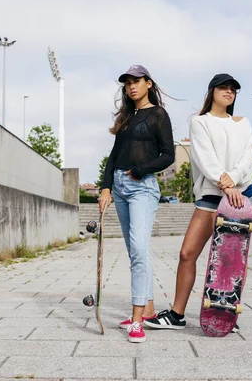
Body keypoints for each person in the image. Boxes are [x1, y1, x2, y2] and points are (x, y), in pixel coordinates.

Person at [144, 73, 252, 333]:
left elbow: (247, 158)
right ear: (212, 91)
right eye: (224, 88)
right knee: (187, 253)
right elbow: (205, 157)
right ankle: (176, 315)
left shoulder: (243, 123)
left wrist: (234, 181)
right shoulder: (200, 122)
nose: (229, 92)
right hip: (212, 193)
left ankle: (226, 313)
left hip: (242, 195)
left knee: (233, 260)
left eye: (233, 89)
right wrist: (224, 183)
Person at [98, 65, 175, 343]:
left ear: (148, 83)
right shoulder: (127, 119)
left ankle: (136, 320)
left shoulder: (158, 115)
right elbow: (113, 156)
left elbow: (169, 155)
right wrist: (106, 188)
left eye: (137, 81)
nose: (131, 86)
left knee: (140, 250)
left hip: (142, 188)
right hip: (118, 187)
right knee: (134, 252)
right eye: (128, 83)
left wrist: (141, 169)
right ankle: (149, 309)